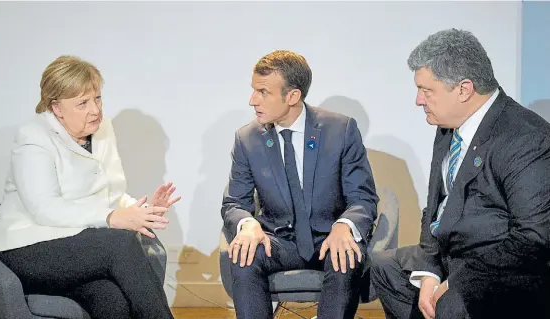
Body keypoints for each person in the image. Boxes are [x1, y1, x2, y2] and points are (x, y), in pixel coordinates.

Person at [370, 28, 550, 319]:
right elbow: (436, 208)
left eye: (427, 91)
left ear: (464, 89)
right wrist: (428, 270)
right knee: (385, 266)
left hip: (501, 268)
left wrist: (456, 280)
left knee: (454, 301)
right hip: (451, 252)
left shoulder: (526, 139)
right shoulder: (447, 127)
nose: (418, 100)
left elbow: (534, 238)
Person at [0, 55, 180, 319]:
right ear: (56, 108)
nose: (95, 110)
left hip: (75, 248)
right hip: (26, 247)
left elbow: (109, 192)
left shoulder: (102, 129)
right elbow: (44, 208)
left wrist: (142, 211)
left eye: (97, 98)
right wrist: (111, 218)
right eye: (83, 103)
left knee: (110, 298)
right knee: (120, 244)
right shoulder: (34, 138)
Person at [221, 50, 379, 319]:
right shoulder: (247, 139)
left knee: (344, 253)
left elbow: (363, 198)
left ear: (292, 96)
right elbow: (235, 202)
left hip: (330, 237)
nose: (252, 100)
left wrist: (345, 225)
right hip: (279, 242)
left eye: (263, 92)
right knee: (244, 253)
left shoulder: (340, 130)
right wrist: (247, 225)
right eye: (253, 90)